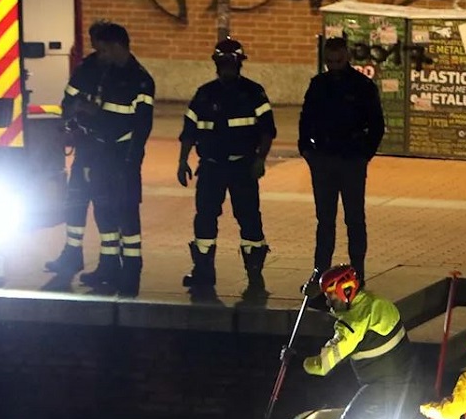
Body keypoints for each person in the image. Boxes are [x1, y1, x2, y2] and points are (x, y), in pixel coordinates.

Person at [177, 38, 276, 293]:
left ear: (239, 64)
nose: (227, 68)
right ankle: (203, 272)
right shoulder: (204, 94)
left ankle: (255, 276)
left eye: (231, 63)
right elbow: (189, 130)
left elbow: (267, 130)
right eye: (223, 64)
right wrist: (182, 160)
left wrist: (260, 159)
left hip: (243, 167)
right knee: (205, 218)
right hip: (211, 167)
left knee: (249, 218)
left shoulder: (254, 93)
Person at [297, 35, 385, 297]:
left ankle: (358, 272)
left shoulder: (362, 86)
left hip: (350, 160)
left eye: (338, 60)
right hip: (324, 159)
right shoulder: (319, 85)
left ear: (346, 57)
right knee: (325, 220)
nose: (334, 66)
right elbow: (306, 120)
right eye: (330, 61)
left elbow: (376, 124)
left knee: (354, 218)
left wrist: (363, 154)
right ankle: (320, 272)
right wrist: (307, 150)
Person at [302, 264, 424, 419]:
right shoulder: (378, 303)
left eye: (331, 296)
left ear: (346, 291)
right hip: (410, 384)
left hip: (383, 390)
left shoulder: (353, 326)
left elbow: (322, 366)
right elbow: (346, 309)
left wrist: (298, 361)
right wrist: (314, 298)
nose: (328, 302)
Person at [77, 22, 155, 297]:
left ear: (117, 46)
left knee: (127, 215)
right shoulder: (106, 74)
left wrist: (131, 161)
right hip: (101, 153)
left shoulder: (140, 80)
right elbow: (101, 112)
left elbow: (143, 126)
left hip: (123, 156)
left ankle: (130, 273)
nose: (101, 55)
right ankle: (108, 267)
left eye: (104, 50)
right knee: (104, 211)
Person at [42, 19, 111, 281]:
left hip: (106, 151)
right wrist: (69, 120)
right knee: (75, 202)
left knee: (105, 208)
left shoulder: (121, 72)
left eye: (101, 45)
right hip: (85, 146)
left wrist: (92, 112)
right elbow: (69, 99)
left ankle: (108, 263)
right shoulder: (87, 68)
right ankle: (71, 254)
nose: (97, 51)